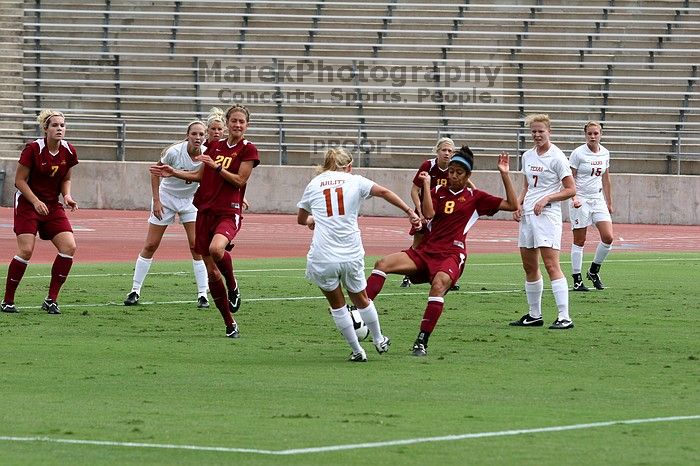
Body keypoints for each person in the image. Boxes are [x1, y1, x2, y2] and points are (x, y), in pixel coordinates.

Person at [365, 146, 518, 356]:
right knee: (382, 264)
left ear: (468, 175)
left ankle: (422, 340)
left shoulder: (476, 197)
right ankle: (359, 310)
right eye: (451, 171)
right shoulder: (438, 191)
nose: (454, 176)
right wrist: (427, 186)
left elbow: (512, 204)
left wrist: (504, 174)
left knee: (438, 285)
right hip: (426, 251)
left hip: (452, 254)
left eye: (459, 172)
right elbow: (428, 213)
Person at [297, 147, 421, 362]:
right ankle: (379, 339)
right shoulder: (355, 181)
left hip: (324, 255)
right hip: (351, 253)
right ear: (349, 166)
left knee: (338, 306)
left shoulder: (314, 184)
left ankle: (357, 351)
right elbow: (384, 192)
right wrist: (409, 212)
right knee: (362, 299)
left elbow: (302, 219)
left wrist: (312, 221)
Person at [150, 104, 259, 338]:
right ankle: (230, 324)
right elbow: (200, 175)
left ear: (247, 125)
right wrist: (174, 172)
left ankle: (233, 286)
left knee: (216, 249)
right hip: (205, 212)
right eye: (234, 121)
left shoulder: (248, 149)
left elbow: (240, 181)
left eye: (242, 121)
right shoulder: (214, 146)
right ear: (228, 123)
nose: (237, 125)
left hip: (228, 212)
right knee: (211, 272)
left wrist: (217, 167)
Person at [124, 121, 210, 308]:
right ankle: (135, 290)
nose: (197, 137)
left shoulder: (207, 154)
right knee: (151, 244)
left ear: (205, 137)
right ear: (187, 135)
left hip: (190, 201)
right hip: (167, 197)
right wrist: (156, 200)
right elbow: (155, 172)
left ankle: (203, 294)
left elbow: (207, 179)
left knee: (196, 246)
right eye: (194, 134)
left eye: (201, 134)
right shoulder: (173, 152)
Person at [1, 109, 78, 315]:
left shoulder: (69, 151)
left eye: (62, 125)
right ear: (45, 128)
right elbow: (19, 181)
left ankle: (51, 300)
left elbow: (66, 178)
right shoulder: (33, 148)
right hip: (29, 204)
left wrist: (67, 196)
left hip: (52, 205)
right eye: (55, 125)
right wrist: (35, 201)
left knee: (69, 247)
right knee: (26, 250)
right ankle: (8, 301)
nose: (59, 128)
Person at [510, 114, 576, 330]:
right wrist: (518, 204)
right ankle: (534, 314)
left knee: (551, 264)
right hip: (528, 215)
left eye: (541, 131)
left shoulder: (557, 157)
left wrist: (547, 198)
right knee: (529, 265)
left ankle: (564, 316)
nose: (537, 135)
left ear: (549, 132)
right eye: (534, 132)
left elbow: (571, 189)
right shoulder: (527, 156)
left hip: (547, 215)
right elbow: (527, 186)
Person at [401, 137, 475, 289]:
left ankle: (448, 276)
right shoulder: (428, 165)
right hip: (426, 211)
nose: (447, 154)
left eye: (450, 151)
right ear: (437, 151)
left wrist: (473, 198)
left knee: (446, 245)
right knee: (418, 243)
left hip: (443, 215)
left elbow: (469, 185)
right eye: (444, 150)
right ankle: (407, 275)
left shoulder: (454, 168)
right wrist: (419, 211)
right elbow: (415, 190)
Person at [569, 121, 613, 291]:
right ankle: (577, 279)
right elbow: (569, 177)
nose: (593, 137)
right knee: (580, 240)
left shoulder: (605, 153)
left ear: (600, 134)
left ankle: (594, 271)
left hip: (597, 199)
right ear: (585, 134)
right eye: (590, 134)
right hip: (581, 200)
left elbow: (606, 178)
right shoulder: (578, 154)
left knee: (608, 237)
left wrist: (609, 201)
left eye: (596, 133)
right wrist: (574, 198)